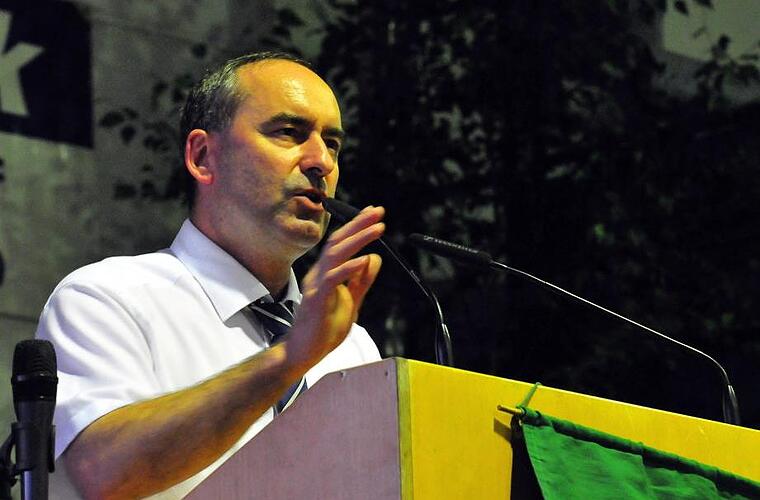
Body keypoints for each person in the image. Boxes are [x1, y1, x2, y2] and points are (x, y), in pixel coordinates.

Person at [35, 52, 386, 499]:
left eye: (332, 143)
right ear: (203, 156)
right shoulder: (107, 298)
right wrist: (287, 359)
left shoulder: (353, 345)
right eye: (288, 132)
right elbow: (104, 473)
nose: (322, 162)